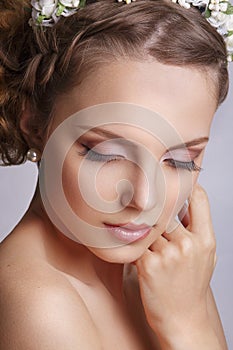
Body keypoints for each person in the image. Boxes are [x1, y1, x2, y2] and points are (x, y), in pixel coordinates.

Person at [0, 0, 231, 348]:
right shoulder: (38, 305)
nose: (144, 199)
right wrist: (188, 327)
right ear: (33, 123)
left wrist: (189, 313)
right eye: (107, 155)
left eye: (181, 160)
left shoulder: (168, 269)